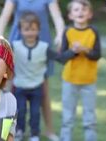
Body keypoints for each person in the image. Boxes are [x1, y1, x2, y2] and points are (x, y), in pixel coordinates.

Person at [0, 1, 64, 140]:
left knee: (43, 90)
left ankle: (49, 130)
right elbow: (4, 17)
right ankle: (8, 130)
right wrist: (0, 36)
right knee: (9, 90)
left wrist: (60, 34)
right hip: (18, 41)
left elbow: (57, 18)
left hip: (40, 43)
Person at [13, 11, 73, 141]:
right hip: (19, 86)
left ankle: (35, 134)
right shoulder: (15, 47)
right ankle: (19, 131)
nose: (30, 33)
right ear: (20, 30)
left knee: (35, 112)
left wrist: (73, 51)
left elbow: (61, 58)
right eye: (26, 29)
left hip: (36, 87)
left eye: (33, 29)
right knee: (20, 111)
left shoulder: (44, 47)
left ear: (39, 30)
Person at [59, 0, 101, 141]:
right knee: (68, 117)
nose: (80, 12)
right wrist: (73, 51)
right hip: (70, 80)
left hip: (89, 81)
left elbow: (97, 55)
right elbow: (62, 58)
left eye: (84, 9)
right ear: (70, 15)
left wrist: (85, 50)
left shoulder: (93, 32)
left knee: (89, 119)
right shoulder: (68, 31)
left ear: (90, 14)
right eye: (76, 10)